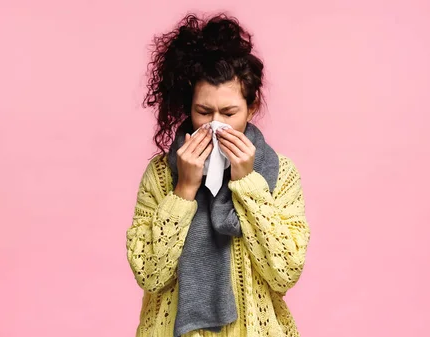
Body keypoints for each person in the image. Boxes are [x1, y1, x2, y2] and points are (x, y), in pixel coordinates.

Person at [126, 13, 311, 337]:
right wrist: (183, 189)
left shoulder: (281, 173)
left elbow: (284, 272)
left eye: (228, 113)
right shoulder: (159, 174)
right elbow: (150, 274)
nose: (214, 124)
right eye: (203, 112)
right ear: (188, 108)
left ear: (251, 108)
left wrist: (247, 183)